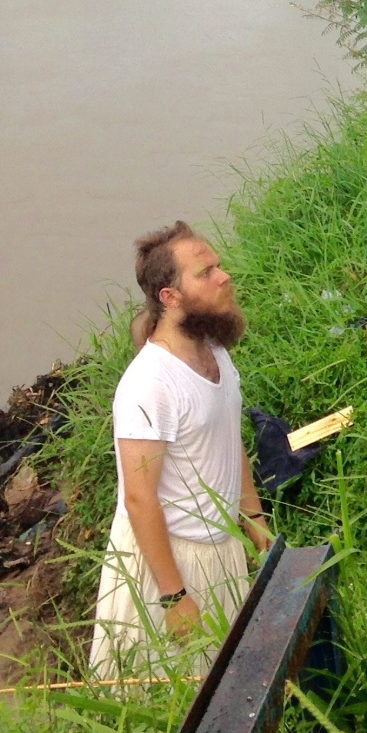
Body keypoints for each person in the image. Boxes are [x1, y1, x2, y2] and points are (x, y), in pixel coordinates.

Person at [90, 222, 273, 675]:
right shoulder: (149, 385)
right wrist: (174, 598)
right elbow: (139, 497)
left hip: (220, 549)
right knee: (165, 705)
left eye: (219, 265)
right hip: (167, 563)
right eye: (206, 271)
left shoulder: (215, 353)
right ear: (170, 297)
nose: (224, 276)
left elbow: (229, 445)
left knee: (223, 690)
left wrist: (256, 525)